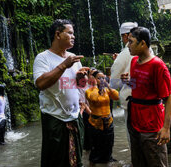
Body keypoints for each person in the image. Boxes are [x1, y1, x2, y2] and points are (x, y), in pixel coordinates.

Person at [33, 19, 87, 167]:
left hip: (75, 117)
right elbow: (41, 84)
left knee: (77, 160)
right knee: (55, 161)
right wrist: (64, 65)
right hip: (55, 118)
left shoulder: (74, 57)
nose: (73, 36)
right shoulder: (43, 58)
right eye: (69, 33)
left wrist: (81, 79)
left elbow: (81, 86)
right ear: (57, 34)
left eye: (73, 33)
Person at [121, 27, 171, 167]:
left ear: (142, 43)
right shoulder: (134, 62)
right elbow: (140, 87)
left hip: (151, 123)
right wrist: (128, 81)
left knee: (156, 160)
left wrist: (166, 128)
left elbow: (168, 97)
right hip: (135, 121)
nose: (128, 45)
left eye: (131, 42)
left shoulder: (158, 66)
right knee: (138, 161)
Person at [110, 22, 138, 147]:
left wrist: (117, 61)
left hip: (131, 101)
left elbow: (114, 83)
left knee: (133, 138)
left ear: (126, 36)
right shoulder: (148, 50)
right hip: (148, 100)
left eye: (122, 37)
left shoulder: (125, 53)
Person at [85, 70, 119, 166]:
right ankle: (92, 164)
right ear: (94, 79)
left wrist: (107, 86)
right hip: (95, 124)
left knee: (108, 147)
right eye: (99, 78)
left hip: (108, 122)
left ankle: (107, 163)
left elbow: (116, 97)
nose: (102, 80)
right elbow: (94, 98)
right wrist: (96, 85)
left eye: (103, 77)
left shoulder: (107, 91)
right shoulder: (89, 91)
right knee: (95, 148)